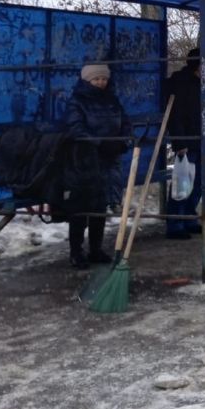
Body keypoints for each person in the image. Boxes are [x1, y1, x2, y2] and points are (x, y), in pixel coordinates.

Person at [64, 63, 131, 269]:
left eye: (103, 79)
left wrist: (123, 141)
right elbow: (75, 129)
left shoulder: (112, 99)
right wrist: (100, 142)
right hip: (85, 160)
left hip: (109, 160)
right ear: (87, 80)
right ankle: (76, 252)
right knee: (82, 207)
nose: (101, 82)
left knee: (100, 205)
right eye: (96, 79)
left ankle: (96, 249)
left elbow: (125, 122)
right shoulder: (77, 101)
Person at [163, 48, 205, 239]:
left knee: (197, 184)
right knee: (182, 183)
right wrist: (180, 142)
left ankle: (189, 218)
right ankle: (175, 223)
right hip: (187, 142)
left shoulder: (201, 83)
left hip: (201, 140)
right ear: (197, 65)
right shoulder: (181, 84)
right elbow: (175, 116)